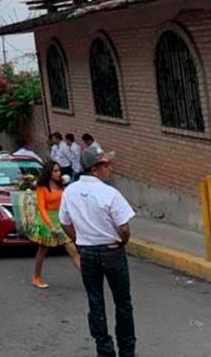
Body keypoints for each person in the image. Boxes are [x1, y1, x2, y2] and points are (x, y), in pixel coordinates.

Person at [60, 148, 136, 357]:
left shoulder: (70, 192)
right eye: (105, 165)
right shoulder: (110, 193)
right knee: (122, 303)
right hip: (112, 251)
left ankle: (104, 348)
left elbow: (65, 222)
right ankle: (127, 350)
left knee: (95, 301)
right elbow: (124, 228)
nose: (109, 169)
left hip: (87, 252)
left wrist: (79, 239)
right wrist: (122, 242)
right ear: (94, 169)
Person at [27, 161, 81, 288]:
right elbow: (42, 208)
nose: (58, 173)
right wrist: (51, 226)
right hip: (47, 222)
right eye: (55, 171)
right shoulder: (42, 188)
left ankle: (89, 279)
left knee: (73, 250)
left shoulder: (61, 184)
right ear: (49, 173)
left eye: (59, 170)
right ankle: (36, 277)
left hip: (61, 221)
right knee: (42, 251)